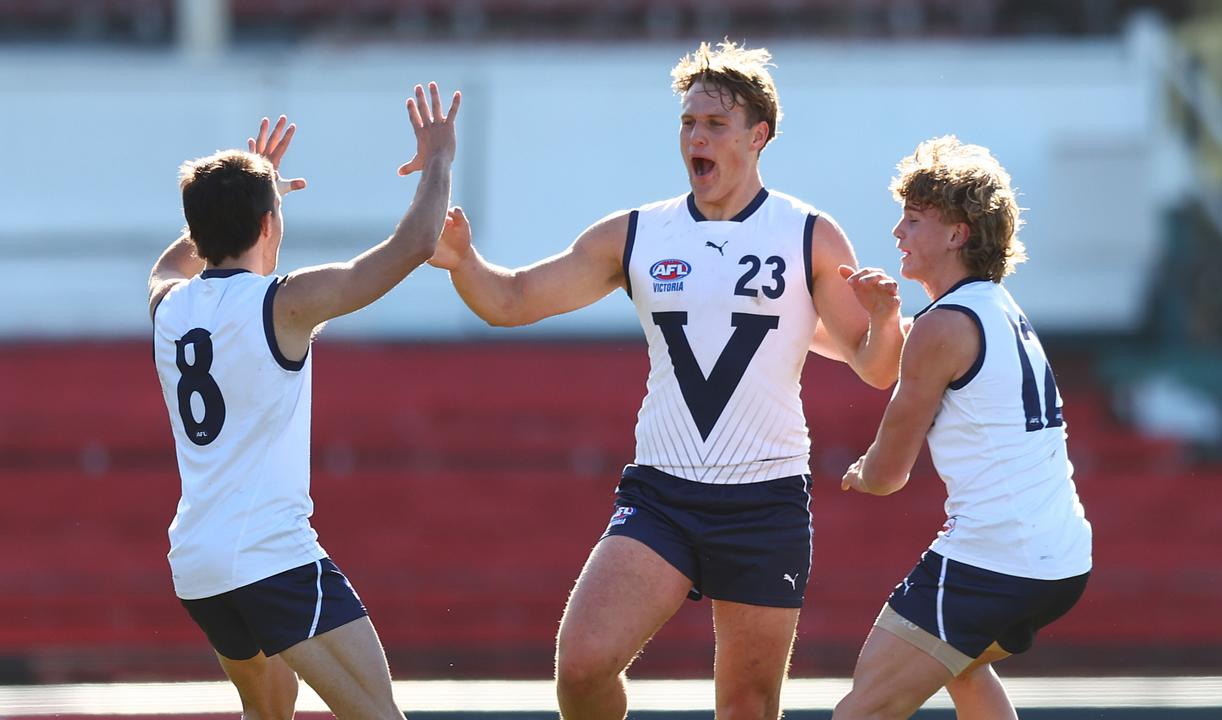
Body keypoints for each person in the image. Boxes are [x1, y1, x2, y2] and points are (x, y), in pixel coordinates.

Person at [426, 41, 904, 720]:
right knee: (584, 666)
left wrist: (885, 322)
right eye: (687, 123)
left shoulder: (807, 235)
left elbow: (875, 365)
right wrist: (464, 262)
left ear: (758, 135)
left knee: (745, 708)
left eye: (714, 123)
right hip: (663, 497)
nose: (695, 137)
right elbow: (512, 300)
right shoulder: (639, 234)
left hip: (763, 502)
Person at [147, 82, 460, 719]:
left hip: (199, 567)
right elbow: (413, 247)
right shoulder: (280, 303)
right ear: (269, 222)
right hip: (270, 557)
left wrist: (242, 190)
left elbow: (170, 264)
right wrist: (439, 162)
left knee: (270, 713)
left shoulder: (169, 306)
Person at [832, 136, 1093, 720]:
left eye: (915, 218)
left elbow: (889, 473)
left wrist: (859, 476)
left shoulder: (943, 325)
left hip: (995, 561)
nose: (898, 232)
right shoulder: (999, 306)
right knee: (966, 671)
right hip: (1062, 560)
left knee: (861, 710)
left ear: (958, 234)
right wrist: (882, 316)